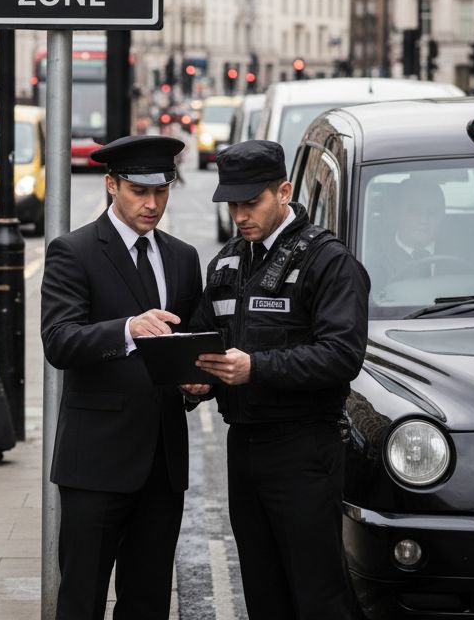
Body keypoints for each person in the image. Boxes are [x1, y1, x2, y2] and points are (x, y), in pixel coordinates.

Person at [193, 139, 370, 619]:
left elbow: (341, 356)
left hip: (303, 448)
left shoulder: (328, 261)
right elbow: (206, 341)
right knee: (263, 589)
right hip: (244, 446)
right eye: (233, 204)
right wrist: (197, 382)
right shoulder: (227, 262)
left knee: (317, 593)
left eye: (252, 202)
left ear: (284, 191)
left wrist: (256, 368)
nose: (240, 214)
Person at [41, 135, 207, 620]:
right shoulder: (73, 251)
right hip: (95, 462)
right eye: (139, 191)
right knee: (82, 598)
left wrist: (197, 383)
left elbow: (188, 345)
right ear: (112, 185)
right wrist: (128, 329)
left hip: (161, 463)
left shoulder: (181, 257)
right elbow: (59, 341)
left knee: (148, 599)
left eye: (161, 191)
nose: (152, 203)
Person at [377, 177, 446, 282]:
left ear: (442, 216)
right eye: (414, 211)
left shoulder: (461, 254)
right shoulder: (374, 261)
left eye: (432, 212)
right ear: (397, 213)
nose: (424, 220)